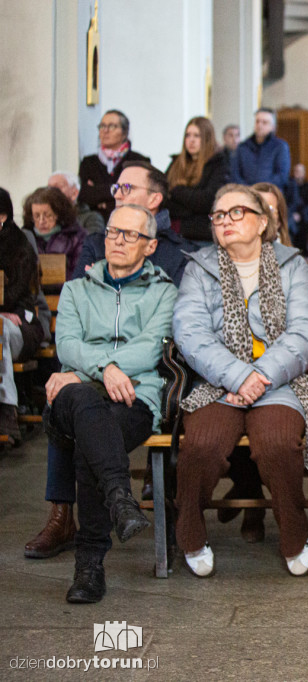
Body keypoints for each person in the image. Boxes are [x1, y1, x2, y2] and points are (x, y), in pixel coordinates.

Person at [173, 184, 308, 578]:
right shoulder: (199, 267)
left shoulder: (292, 264)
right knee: (202, 446)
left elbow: (307, 332)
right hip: (216, 382)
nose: (225, 221)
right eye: (218, 215)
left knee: (277, 444)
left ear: (262, 222)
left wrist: (261, 375)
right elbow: (190, 333)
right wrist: (239, 375)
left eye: (236, 212)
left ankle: (294, 533)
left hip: (279, 381)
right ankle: (189, 532)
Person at [45, 203, 176, 602]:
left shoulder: (164, 292)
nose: (117, 241)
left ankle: (89, 567)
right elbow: (65, 344)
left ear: (150, 245)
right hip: (75, 397)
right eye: (113, 232)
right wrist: (104, 370)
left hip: (136, 396)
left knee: (94, 438)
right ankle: (120, 498)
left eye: (130, 235)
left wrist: (95, 369)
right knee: (84, 404)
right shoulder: (76, 288)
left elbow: (153, 348)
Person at [74, 161, 197, 286]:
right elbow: (74, 298)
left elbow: (172, 303)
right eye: (116, 188)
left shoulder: (182, 253)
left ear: (154, 200)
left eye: (127, 188)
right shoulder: (96, 243)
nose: (117, 195)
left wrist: (107, 285)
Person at [0, 188, 45, 440]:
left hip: (22, 324)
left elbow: (14, 295)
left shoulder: (20, 247)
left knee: (0, 328)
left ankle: (6, 410)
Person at [165, 116, 230, 243]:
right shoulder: (176, 163)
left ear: (206, 138)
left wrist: (177, 190)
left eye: (197, 136)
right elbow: (163, 197)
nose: (191, 140)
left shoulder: (218, 164)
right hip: (172, 234)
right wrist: (190, 209)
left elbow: (208, 201)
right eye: (188, 135)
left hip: (201, 236)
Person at [78, 109, 150, 220]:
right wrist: (120, 189)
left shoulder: (139, 161)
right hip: (96, 224)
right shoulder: (88, 162)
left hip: (129, 221)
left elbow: (137, 195)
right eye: (102, 126)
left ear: (124, 132)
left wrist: (100, 196)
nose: (105, 131)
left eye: (112, 126)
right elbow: (84, 195)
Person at [22, 187, 87, 274]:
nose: (41, 221)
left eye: (48, 215)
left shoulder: (77, 237)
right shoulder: (23, 238)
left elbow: (79, 274)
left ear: (59, 214)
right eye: (36, 216)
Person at [230, 108, 291, 190]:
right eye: (257, 121)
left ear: (273, 127)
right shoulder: (243, 147)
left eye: (264, 122)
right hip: (246, 194)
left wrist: (262, 189)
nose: (259, 125)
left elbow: (281, 176)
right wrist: (249, 190)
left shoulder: (280, 147)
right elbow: (235, 174)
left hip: (270, 194)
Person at [253, 182, 294, 247]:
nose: (262, 214)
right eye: (257, 207)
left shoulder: (293, 256)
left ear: (279, 221)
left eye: (269, 209)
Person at [288, 163, 308, 254]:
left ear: (304, 173)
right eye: (296, 171)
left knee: (304, 223)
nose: (298, 174)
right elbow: (288, 201)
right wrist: (292, 213)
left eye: (300, 172)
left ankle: (304, 249)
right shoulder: (289, 186)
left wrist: (300, 214)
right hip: (291, 212)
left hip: (304, 214)